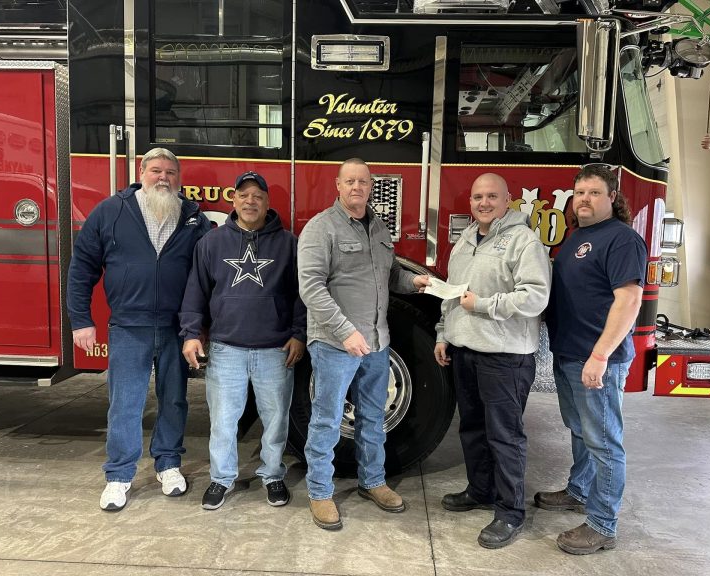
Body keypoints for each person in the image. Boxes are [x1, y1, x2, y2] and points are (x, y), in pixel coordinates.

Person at [67, 147, 211, 511]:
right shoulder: (111, 211)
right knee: (125, 403)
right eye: (156, 171)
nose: (163, 178)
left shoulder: (193, 217)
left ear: (179, 179)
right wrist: (81, 319)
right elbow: (82, 266)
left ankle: (168, 464)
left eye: (171, 173)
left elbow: (209, 275)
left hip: (177, 327)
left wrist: (203, 325)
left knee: (175, 399)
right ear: (141, 173)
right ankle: (118, 475)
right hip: (129, 325)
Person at [298, 158, 429, 530]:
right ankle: (320, 492)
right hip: (336, 345)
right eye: (349, 181)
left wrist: (413, 283)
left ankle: (373, 482)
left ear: (371, 186)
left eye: (363, 182)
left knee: (373, 418)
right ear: (337, 185)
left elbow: (389, 277)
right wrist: (345, 332)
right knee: (326, 420)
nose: (357, 187)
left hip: (376, 342)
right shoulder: (320, 229)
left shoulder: (378, 228)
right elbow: (311, 287)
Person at [433, 173, 551, 549]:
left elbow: (535, 297)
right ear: (470, 202)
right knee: (472, 429)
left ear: (508, 200)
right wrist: (443, 334)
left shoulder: (523, 241)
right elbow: (452, 294)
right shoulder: (466, 239)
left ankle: (510, 512)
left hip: (505, 358)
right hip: (466, 350)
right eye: (478, 197)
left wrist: (483, 305)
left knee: (505, 436)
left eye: (492, 197)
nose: (484, 203)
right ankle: (480, 491)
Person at [180, 171, 306, 511]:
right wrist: (191, 334)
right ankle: (221, 478)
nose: (251, 201)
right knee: (223, 420)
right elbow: (195, 292)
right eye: (244, 195)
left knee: (276, 419)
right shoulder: (211, 243)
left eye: (258, 196)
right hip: (226, 349)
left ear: (267, 203)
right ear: (233, 200)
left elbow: (300, 296)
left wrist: (298, 334)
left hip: (275, 350)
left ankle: (272, 473)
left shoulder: (289, 244)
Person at [536, 164, 646, 554]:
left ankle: (603, 524)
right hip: (569, 354)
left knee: (604, 443)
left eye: (594, 192)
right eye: (579, 191)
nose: (584, 198)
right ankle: (578, 491)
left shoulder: (621, 239)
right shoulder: (579, 236)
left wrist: (599, 356)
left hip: (598, 360)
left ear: (612, 198)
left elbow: (629, 300)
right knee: (580, 430)